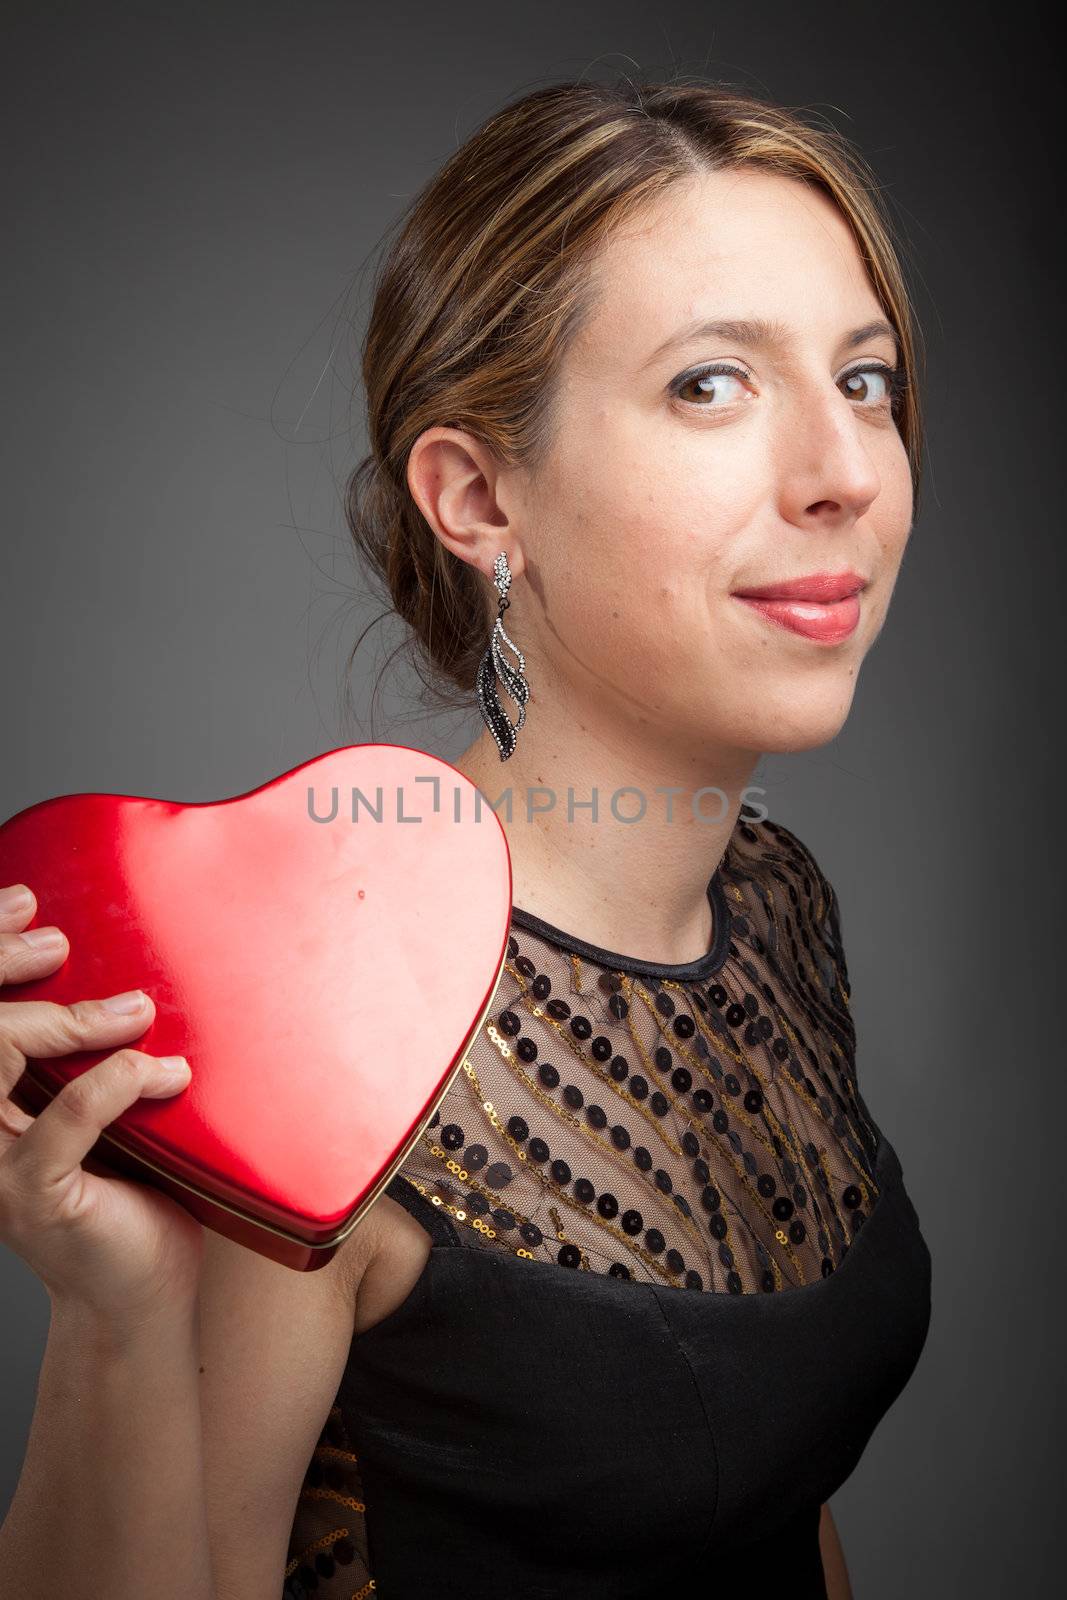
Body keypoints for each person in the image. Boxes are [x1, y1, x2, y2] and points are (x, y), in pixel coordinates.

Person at [0, 77, 932, 1600]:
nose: (844, 472)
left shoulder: (772, 907)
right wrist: (119, 1319)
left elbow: (767, 1491)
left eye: (868, 379)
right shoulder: (325, 1031)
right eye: (712, 384)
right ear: (480, 494)